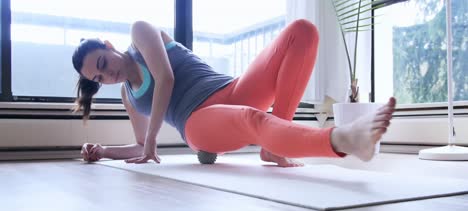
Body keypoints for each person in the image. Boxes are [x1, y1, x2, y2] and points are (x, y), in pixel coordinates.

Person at [73, 19, 396, 167]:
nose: (108, 75)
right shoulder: (129, 96)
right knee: (251, 118)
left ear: (109, 45)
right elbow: (141, 146)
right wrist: (103, 151)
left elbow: (165, 77)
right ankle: (341, 140)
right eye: (99, 78)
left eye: (103, 63)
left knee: (302, 31)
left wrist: (154, 138)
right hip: (198, 123)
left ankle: (273, 148)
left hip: (232, 89)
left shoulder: (140, 33)